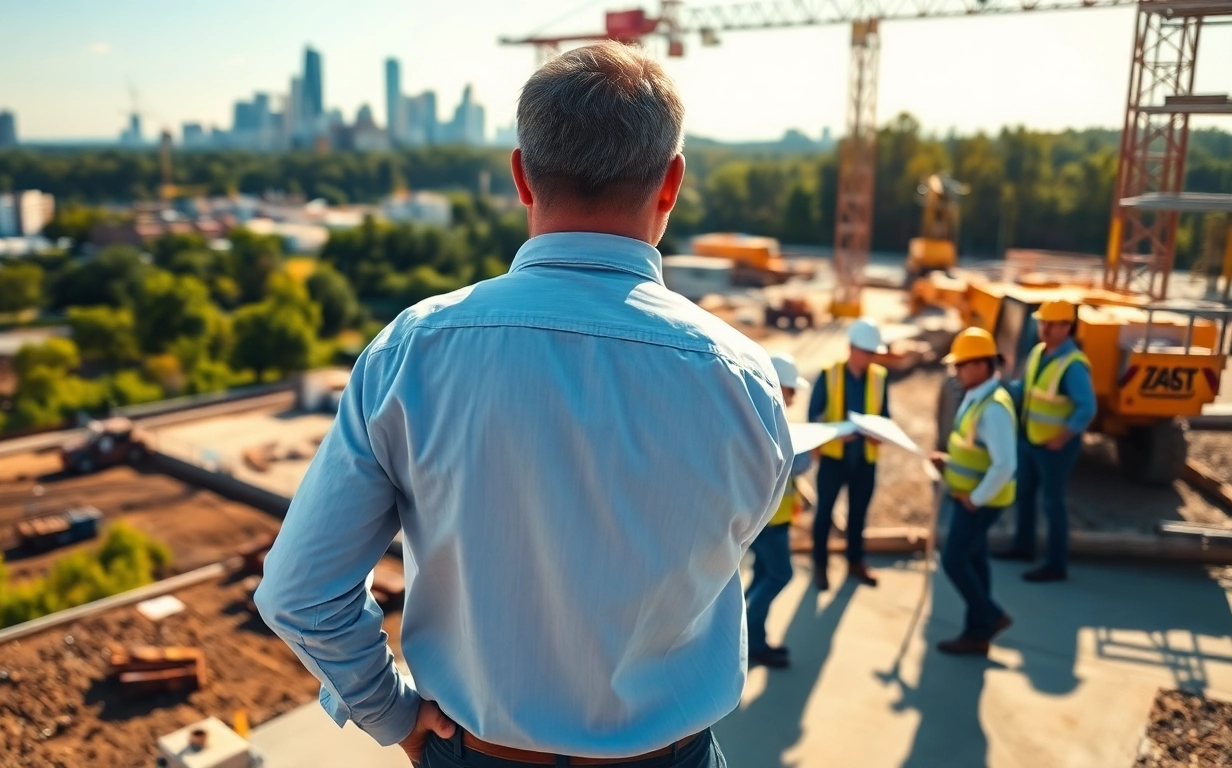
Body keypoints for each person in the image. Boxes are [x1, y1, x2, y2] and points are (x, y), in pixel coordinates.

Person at [255, 41, 793, 768]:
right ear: (670, 184)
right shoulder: (743, 380)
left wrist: (392, 713)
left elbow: (299, 593)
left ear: (520, 175)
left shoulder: (412, 352)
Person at [995, 300, 1096, 583]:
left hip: (1055, 447)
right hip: (1030, 439)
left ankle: (1055, 564)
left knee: (1052, 504)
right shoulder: (1039, 353)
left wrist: (1063, 437)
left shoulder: (1072, 365)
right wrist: (1002, 387)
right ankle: (1023, 547)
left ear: (1067, 327)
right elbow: (1024, 389)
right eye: (1042, 323)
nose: (1045, 329)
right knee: (1024, 494)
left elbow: (1086, 407)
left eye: (1051, 324)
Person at [930, 328, 1017, 655]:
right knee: (975, 560)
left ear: (981, 365)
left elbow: (1005, 464)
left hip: (979, 502)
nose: (956, 372)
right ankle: (977, 633)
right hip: (973, 497)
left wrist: (974, 498)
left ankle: (990, 617)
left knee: (954, 561)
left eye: (961, 365)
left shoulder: (993, 407)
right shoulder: (976, 396)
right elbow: (976, 450)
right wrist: (950, 462)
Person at [807, 318, 889, 590]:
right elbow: (813, 415)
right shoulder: (829, 373)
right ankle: (820, 564)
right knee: (824, 514)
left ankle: (855, 561)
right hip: (834, 458)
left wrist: (881, 434)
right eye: (865, 352)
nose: (869, 358)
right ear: (851, 348)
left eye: (872, 353)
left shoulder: (879, 378)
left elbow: (885, 416)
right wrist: (827, 437)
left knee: (858, 514)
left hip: (864, 459)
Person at [746, 353, 811, 669]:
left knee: (762, 574)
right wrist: (817, 452)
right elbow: (788, 465)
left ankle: (753, 642)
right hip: (768, 519)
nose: (795, 396)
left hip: (771, 515)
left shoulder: (762, 414)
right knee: (779, 574)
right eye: (791, 389)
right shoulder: (770, 420)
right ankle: (744, 631)